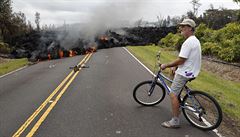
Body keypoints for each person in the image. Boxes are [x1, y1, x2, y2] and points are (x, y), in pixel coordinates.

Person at [160, 18, 202, 128]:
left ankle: (175, 121)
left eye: (183, 26)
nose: (181, 28)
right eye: (181, 26)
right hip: (191, 71)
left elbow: (181, 60)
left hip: (185, 73)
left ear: (189, 28)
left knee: (173, 94)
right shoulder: (195, 40)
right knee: (176, 91)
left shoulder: (188, 42)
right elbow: (187, 59)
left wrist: (166, 65)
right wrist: (175, 66)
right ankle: (177, 109)